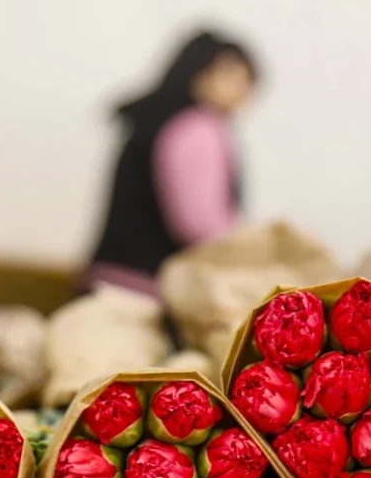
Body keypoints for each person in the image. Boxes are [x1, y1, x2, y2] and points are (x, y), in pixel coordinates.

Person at [82, 29, 260, 298]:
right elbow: (200, 225)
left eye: (247, 80)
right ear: (198, 73)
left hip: (106, 279)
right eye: (231, 75)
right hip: (151, 292)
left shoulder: (152, 120)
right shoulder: (198, 127)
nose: (242, 89)